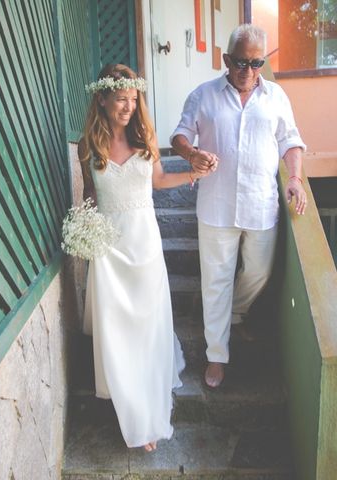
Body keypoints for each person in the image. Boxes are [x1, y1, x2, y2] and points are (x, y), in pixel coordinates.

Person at [79, 64, 213, 452]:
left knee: (148, 325)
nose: (127, 106)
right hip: (108, 247)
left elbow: (157, 182)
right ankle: (131, 409)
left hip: (144, 244)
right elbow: (89, 193)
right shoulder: (89, 144)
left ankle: (150, 413)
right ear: (103, 98)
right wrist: (87, 234)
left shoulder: (145, 136)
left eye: (133, 99)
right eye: (120, 98)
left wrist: (193, 174)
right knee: (118, 329)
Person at [170, 24, 307, 389]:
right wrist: (192, 153)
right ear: (226, 59)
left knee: (258, 273)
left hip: (262, 204)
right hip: (215, 206)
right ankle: (216, 356)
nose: (248, 71)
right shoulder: (204, 95)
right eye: (242, 62)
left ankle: (235, 312)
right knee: (215, 282)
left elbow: (290, 141)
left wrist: (293, 178)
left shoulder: (276, 96)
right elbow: (180, 135)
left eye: (257, 62)